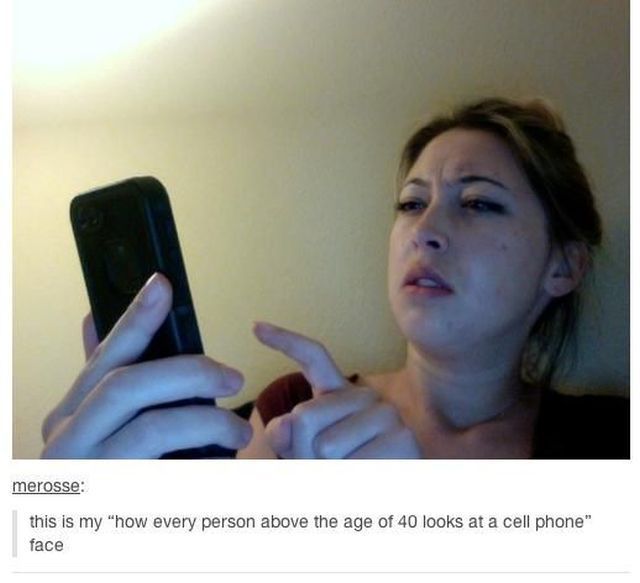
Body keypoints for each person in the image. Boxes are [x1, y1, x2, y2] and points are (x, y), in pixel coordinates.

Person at [41, 97, 629, 459]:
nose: (425, 230)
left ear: (563, 265)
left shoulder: (614, 444)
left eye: (477, 203)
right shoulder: (290, 418)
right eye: (411, 203)